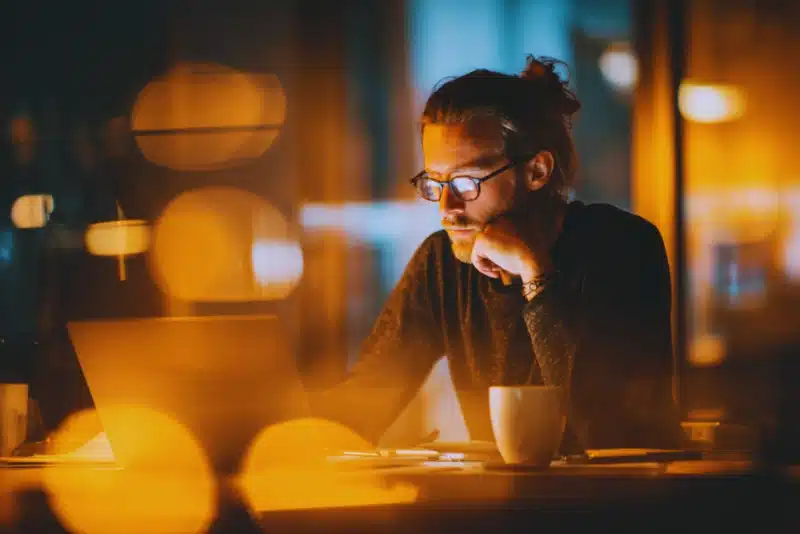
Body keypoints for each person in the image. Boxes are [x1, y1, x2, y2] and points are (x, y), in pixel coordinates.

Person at [310, 55, 682, 452]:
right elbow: (369, 395)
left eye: (467, 181)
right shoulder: (442, 263)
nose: (446, 207)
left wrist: (535, 275)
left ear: (537, 171)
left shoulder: (621, 246)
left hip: (625, 505)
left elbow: (602, 431)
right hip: (505, 506)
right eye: (435, 182)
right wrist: (274, 436)